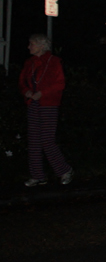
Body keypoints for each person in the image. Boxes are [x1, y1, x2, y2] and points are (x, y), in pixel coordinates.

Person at [19, 34, 73, 186]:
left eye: (32, 44)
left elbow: (60, 83)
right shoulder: (29, 63)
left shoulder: (54, 62)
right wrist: (26, 92)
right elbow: (22, 82)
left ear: (41, 45)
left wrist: (42, 93)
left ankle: (64, 171)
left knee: (47, 140)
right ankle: (37, 175)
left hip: (48, 104)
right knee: (34, 140)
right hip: (33, 103)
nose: (29, 47)